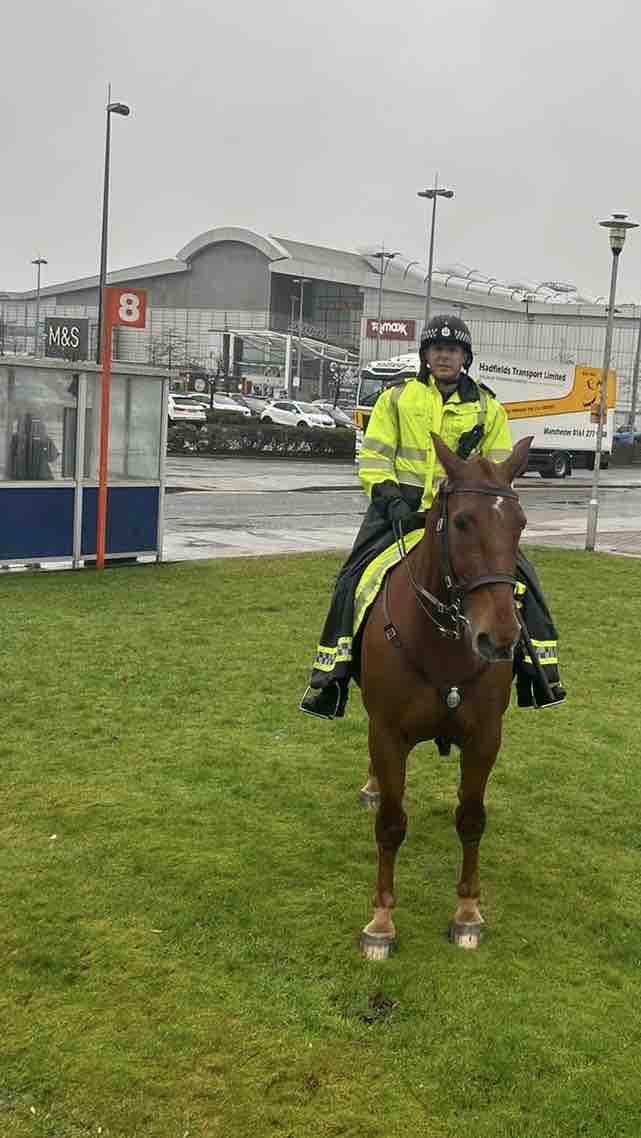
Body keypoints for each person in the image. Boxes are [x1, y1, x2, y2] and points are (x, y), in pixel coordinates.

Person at [300, 314, 566, 720]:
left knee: (523, 580)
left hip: (465, 517)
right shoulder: (396, 398)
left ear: (465, 358)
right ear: (425, 356)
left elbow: (497, 471)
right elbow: (374, 455)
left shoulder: (488, 407)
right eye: (438, 349)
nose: (445, 356)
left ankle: (540, 672)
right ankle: (330, 677)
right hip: (400, 510)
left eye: (454, 350)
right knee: (353, 579)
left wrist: (475, 481)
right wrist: (389, 498)